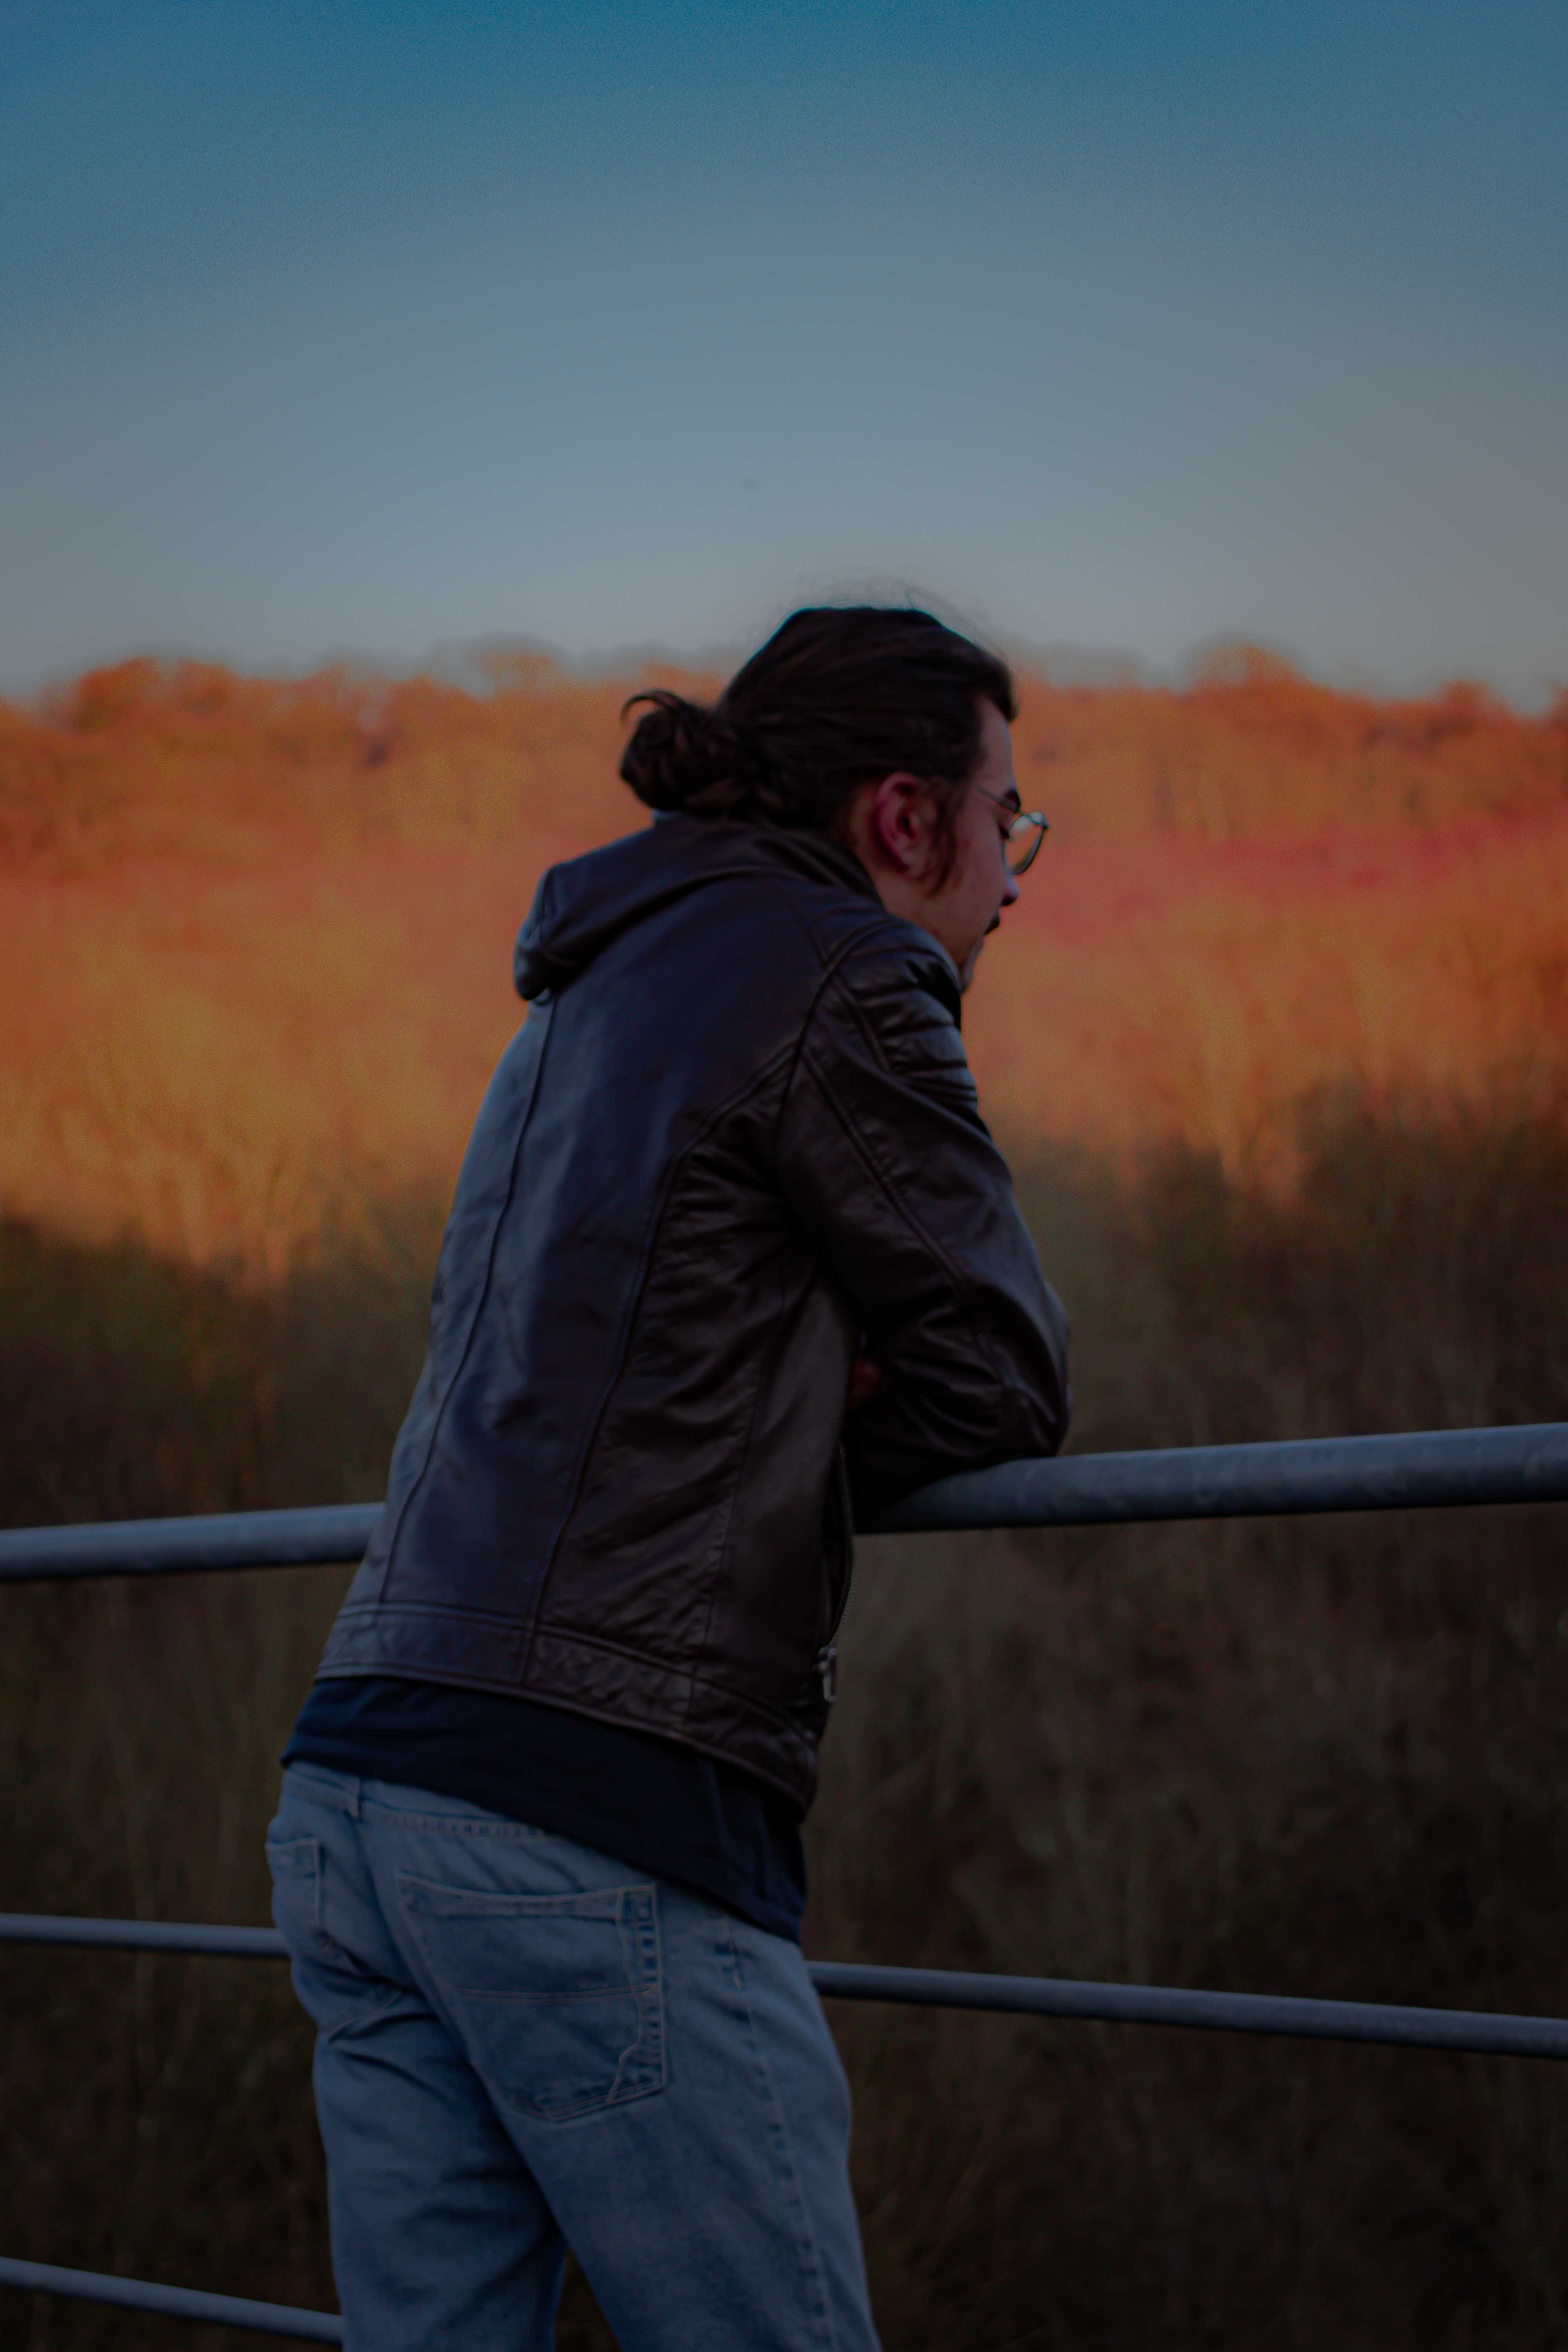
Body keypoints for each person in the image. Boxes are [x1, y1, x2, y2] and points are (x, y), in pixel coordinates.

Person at [267, 605, 1071, 2351]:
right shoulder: (843, 972)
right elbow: (1006, 1368)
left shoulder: (565, 1005)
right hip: (585, 1818)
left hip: (356, 1794)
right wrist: (817, 1403)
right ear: (901, 818)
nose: (1016, 875)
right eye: (1005, 819)